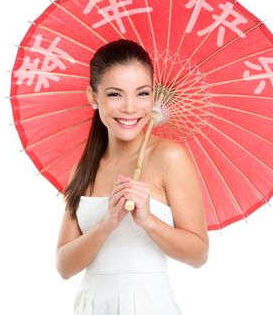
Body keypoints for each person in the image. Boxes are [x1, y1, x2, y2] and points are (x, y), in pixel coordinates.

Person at [55, 39, 209, 314]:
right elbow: (65, 266)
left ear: (153, 96)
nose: (129, 107)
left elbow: (198, 254)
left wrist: (148, 221)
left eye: (142, 93)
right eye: (115, 94)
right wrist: (106, 224)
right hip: (91, 305)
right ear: (93, 97)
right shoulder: (83, 169)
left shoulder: (169, 157)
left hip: (148, 304)